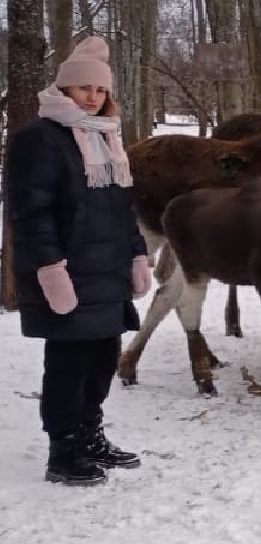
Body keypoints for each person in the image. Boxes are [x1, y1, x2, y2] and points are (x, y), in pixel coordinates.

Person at [5, 36, 151, 486]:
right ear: (64, 88)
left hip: (106, 271)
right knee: (68, 362)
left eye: (101, 90)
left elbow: (121, 207)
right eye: (84, 88)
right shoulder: (39, 139)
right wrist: (50, 269)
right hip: (67, 271)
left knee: (103, 357)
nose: (93, 96)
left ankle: (89, 434)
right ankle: (63, 448)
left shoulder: (106, 138)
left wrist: (137, 253)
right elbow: (30, 212)